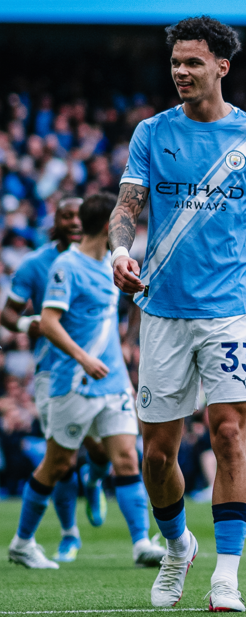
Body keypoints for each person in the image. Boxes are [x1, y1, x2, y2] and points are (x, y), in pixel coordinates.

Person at [109, 16, 246, 611]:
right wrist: (118, 250)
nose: (182, 73)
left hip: (230, 311)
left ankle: (226, 577)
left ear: (222, 66)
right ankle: (178, 543)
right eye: (175, 64)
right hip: (162, 310)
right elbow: (126, 206)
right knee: (157, 454)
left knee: (230, 434)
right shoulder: (152, 133)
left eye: (193, 62)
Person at [7, 193, 166, 570]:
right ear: (107, 225)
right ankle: (22, 543)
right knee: (58, 464)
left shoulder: (114, 267)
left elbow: (120, 316)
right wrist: (84, 357)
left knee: (127, 457)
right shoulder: (65, 265)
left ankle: (141, 542)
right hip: (73, 380)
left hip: (111, 382)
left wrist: (124, 360)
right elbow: (47, 323)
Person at [1, 196, 112, 562]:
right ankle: (68, 534)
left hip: (101, 367)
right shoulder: (37, 265)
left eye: (80, 215)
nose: (75, 221)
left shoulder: (107, 260)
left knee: (101, 449)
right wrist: (27, 324)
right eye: (67, 216)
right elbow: (8, 314)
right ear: (57, 221)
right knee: (60, 458)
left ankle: (94, 482)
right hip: (55, 370)